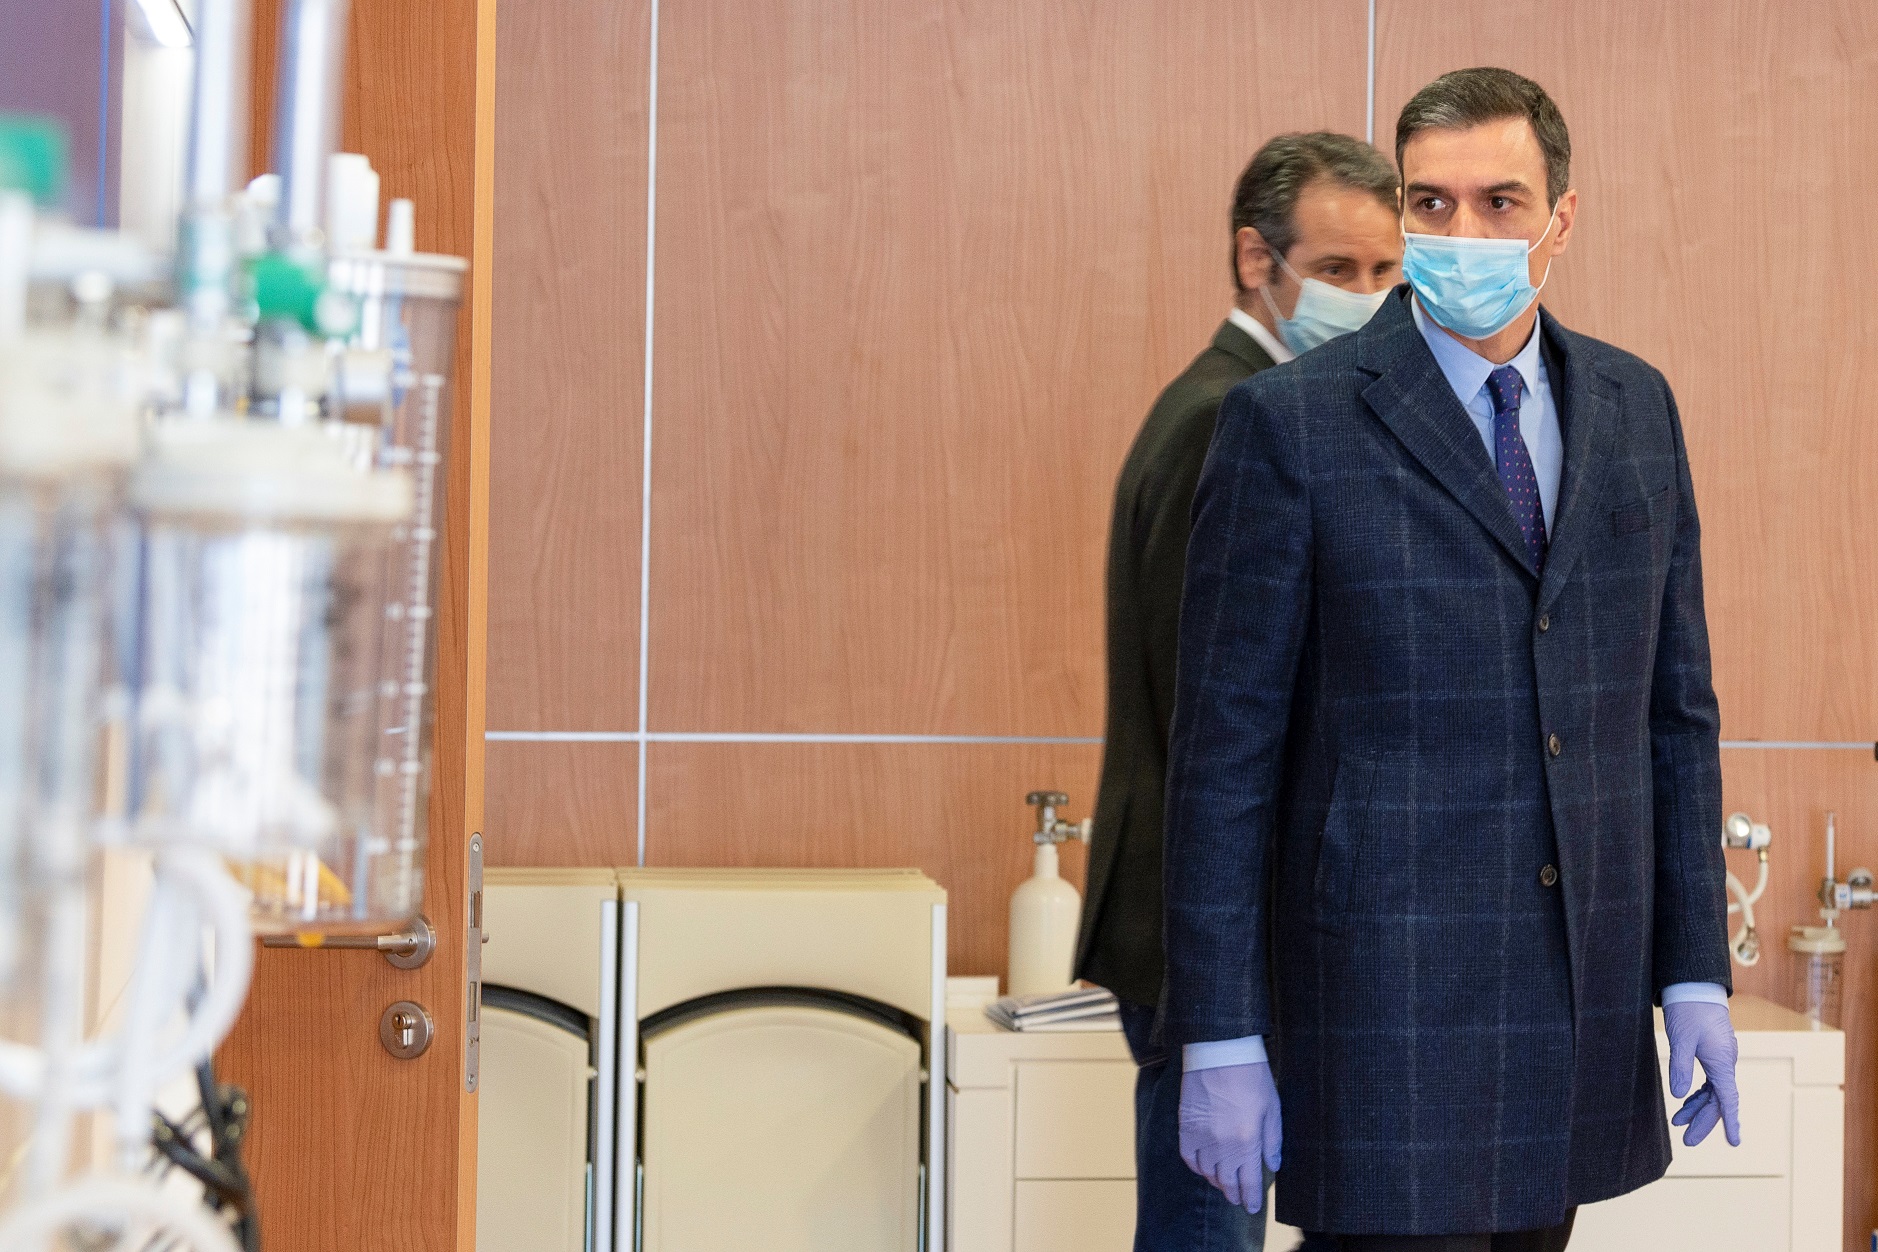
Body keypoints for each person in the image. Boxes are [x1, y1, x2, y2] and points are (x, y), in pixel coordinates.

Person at [1162, 68, 1741, 1252]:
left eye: (1498, 201)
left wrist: (1694, 971)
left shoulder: (1635, 407)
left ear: (1561, 220)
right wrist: (1219, 1032)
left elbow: (1672, 714)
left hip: (1574, 1012)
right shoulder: (1291, 423)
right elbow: (1222, 759)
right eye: (1430, 203)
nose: (1461, 233)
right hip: (1383, 1018)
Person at [1073, 131, 1401, 1252]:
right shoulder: (1232, 418)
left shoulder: (1255, 410)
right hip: (1210, 943)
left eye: (1387, 271)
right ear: (1258, 260)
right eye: (1339, 269)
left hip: (1222, 934)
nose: (1369, 297)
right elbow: (1220, 719)